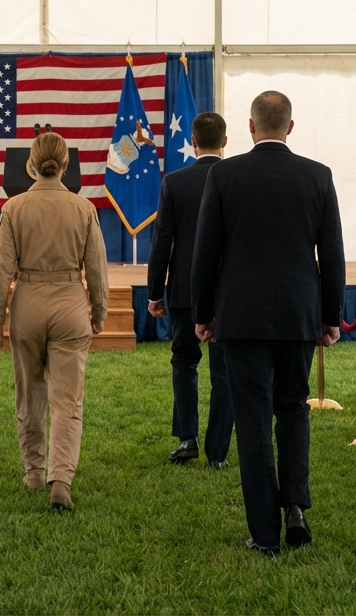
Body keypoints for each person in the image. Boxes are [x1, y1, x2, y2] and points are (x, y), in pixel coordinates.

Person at [191, 91, 344, 556]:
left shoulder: (224, 175)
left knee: (254, 420)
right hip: (299, 314)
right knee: (294, 407)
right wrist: (330, 316)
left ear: (252, 128)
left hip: (241, 316)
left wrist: (202, 315)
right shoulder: (318, 176)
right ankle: (295, 505)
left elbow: (205, 253)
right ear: (291, 127)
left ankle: (264, 533)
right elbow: (332, 255)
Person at [0, 131, 108, 512]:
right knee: (67, 398)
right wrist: (99, 312)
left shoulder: (14, 208)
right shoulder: (84, 209)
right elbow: (97, 270)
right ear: (66, 166)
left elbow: (1, 269)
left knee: (30, 392)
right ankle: (61, 479)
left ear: (31, 164)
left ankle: (34, 470)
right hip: (71, 303)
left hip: (27, 303)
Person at [146, 112, 233, 468]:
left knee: (184, 361)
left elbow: (161, 241)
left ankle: (187, 439)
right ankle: (218, 452)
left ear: (193, 142)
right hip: (227, 291)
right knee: (224, 371)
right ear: (225, 141)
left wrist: (154, 292)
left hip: (184, 290)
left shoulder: (175, 182)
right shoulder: (236, 179)